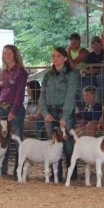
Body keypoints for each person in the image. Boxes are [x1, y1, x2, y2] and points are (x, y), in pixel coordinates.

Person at [39, 46, 78, 181]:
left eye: (58, 56)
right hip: (50, 111)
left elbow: (70, 95)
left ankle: (71, 173)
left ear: (65, 58)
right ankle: (57, 174)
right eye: (53, 56)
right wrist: (44, 113)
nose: (55, 59)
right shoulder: (47, 75)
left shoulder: (71, 74)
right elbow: (42, 95)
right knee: (53, 143)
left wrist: (65, 116)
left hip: (64, 111)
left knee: (67, 144)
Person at [0, 44, 28, 179]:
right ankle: (2, 168)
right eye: (5, 53)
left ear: (15, 55)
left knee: (17, 138)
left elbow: (19, 93)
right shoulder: (1, 72)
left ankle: (18, 171)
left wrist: (14, 110)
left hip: (15, 108)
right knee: (2, 139)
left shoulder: (21, 72)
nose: (6, 56)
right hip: (2, 107)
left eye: (9, 53)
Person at [82, 35, 104, 100]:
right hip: (91, 76)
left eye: (98, 43)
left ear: (101, 44)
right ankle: (86, 102)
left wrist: (93, 71)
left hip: (103, 76)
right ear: (91, 46)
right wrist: (83, 71)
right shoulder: (90, 56)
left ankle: (102, 102)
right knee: (84, 78)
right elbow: (85, 67)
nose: (96, 45)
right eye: (93, 43)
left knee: (100, 77)